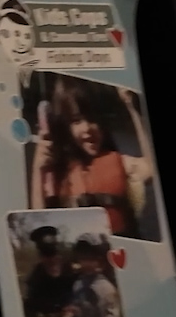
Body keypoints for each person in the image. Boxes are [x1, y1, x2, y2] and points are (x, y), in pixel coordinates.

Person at [30, 76, 157, 237]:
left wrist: (132, 108)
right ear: (66, 127)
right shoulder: (58, 173)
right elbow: (38, 222)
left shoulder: (121, 162)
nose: (87, 128)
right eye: (76, 121)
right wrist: (38, 167)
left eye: (92, 119)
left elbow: (153, 169)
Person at [21, 225, 83, 317]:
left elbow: (86, 293)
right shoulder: (36, 279)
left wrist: (76, 306)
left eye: (55, 258)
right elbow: (28, 314)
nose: (53, 264)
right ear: (41, 259)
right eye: (48, 259)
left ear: (59, 256)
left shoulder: (72, 270)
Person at [70, 235, 127, 317]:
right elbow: (82, 312)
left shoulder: (106, 288)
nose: (87, 263)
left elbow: (112, 316)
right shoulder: (78, 285)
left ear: (99, 260)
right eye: (83, 257)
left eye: (91, 258)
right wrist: (74, 311)